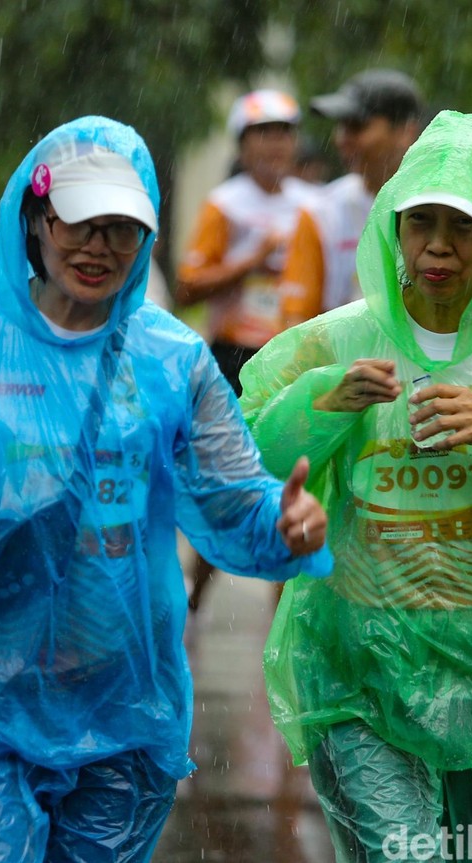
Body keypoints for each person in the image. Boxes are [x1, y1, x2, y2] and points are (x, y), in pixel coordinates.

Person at [0, 115, 332, 863]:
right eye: (80, 221)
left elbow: (233, 495)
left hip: (121, 709)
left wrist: (284, 523)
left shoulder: (172, 359)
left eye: (122, 227)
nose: (99, 246)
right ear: (36, 217)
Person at [240, 110, 472, 862]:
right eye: (420, 221)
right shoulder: (337, 340)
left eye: (462, 226)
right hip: (359, 674)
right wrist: (323, 402)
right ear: (393, 226)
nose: (437, 246)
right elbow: (245, 457)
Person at [175, 88, 318, 611]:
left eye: (284, 133)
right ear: (242, 144)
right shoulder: (226, 205)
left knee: (290, 477)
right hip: (233, 355)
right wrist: (250, 262)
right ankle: (196, 602)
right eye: (263, 134)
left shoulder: (311, 204)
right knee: (226, 480)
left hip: (292, 355)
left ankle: (284, 615)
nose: (275, 145)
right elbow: (188, 285)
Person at [279, 68, 423, 328]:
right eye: (341, 127)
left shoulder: (446, 207)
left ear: (405, 131)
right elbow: (296, 322)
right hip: (340, 353)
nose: (341, 139)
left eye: (356, 126)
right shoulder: (321, 213)